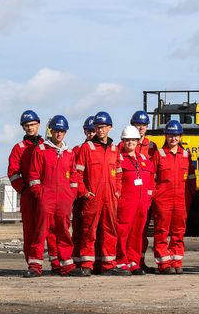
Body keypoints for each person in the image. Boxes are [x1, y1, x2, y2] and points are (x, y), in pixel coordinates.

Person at [27, 115, 77, 276]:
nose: (59, 134)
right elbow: (33, 177)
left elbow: (74, 178)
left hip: (64, 199)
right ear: (51, 131)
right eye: (56, 130)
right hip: (46, 197)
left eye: (62, 131)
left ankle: (66, 266)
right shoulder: (41, 151)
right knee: (41, 232)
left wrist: (70, 196)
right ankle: (35, 266)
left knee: (63, 231)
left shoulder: (69, 153)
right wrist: (40, 194)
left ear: (65, 132)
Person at [74, 111, 120, 275]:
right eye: (97, 127)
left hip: (110, 197)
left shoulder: (115, 148)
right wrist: (84, 192)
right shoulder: (87, 148)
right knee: (89, 231)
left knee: (110, 231)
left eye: (103, 127)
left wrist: (117, 192)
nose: (100, 130)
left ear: (110, 128)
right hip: (93, 197)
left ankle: (108, 265)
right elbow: (77, 174)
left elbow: (119, 173)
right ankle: (87, 265)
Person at [151, 120, 196, 274]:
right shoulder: (159, 154)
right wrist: (156, 197)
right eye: (170, 135)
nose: (173, 139)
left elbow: (191, 180)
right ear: (166, 136)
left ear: (180, 136)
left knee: (178, 232)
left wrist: (189, 198)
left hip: (181, 200)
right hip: (163, 199)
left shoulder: (186, 155)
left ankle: (176, 261)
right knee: (161, 231)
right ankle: (164, 263)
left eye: (176, 135)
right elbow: (153, 179)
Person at [111, 125, 155, 276]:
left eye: (133, 140)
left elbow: (150, 181)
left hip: (142, 203)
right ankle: (121, 261)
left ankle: (134, 262)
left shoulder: (143, 159)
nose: (130, 143)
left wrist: (148, 199)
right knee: (123, 232)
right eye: (127, 140)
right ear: (123, 141)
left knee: (137, 233)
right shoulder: (118, 158)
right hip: (126, 202)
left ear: (138, 141)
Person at [7, 109, 44, 277]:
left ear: (39, 125)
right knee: (30, 231)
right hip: (29, 195)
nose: (30, 128)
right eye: (27, 125)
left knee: (50, 230)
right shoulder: (19, 148)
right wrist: (23, 189)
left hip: (47, 194)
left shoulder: (47, 146)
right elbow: (13, 173)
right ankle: (33, 265)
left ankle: (58, 264)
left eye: (32, 125)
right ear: (23, 128)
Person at [126, 110, 158, 269]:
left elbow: (154, 171)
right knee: (127, 229)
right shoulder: (125, 144)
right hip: (129, 195)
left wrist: (151, 192)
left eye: (144, 125)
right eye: (138, 124)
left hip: (145, 195)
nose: (141, 127)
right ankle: (127, 260)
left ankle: (140, 260)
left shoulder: (151, 146)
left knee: (142, 230)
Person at [70, 116, 94, 271]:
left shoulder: (102, 150)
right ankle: (78, 261)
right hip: (80, 198)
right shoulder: (77, 150)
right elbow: (74, 173)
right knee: (80, 230)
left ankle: (93, 262)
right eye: (88, 131)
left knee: (94, 232)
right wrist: (82, 192)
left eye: (93, 131)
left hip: (96, 198)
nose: (91, 134)